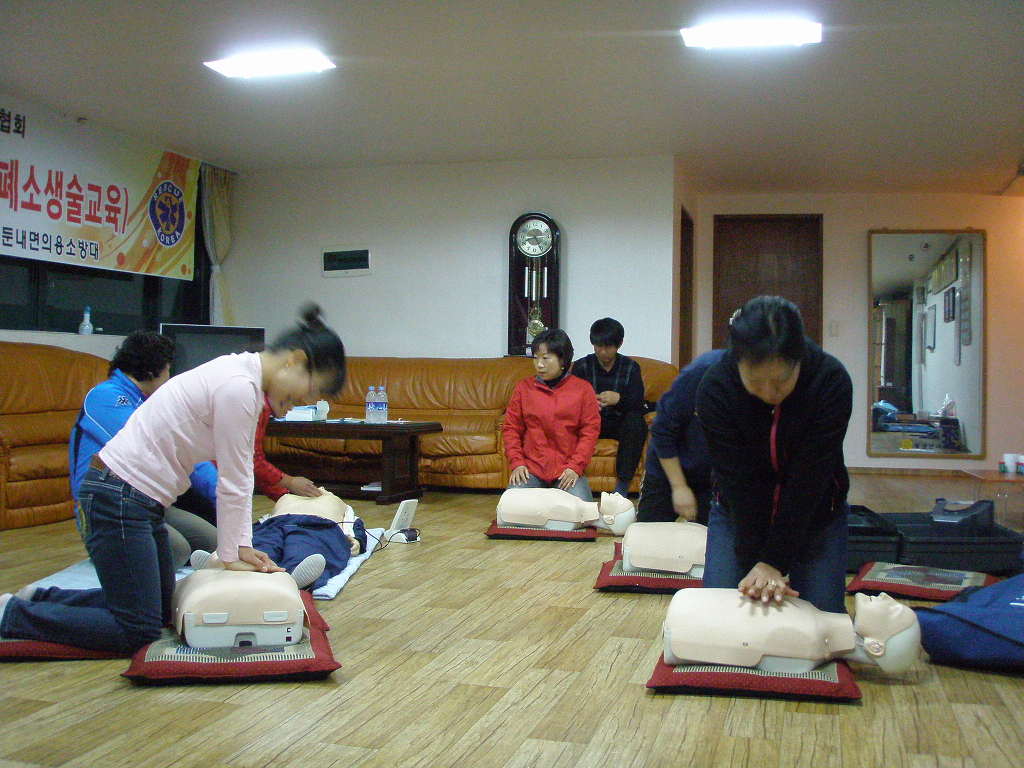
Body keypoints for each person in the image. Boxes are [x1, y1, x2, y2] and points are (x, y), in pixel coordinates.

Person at [0, 303, 347, 653]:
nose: (302, 400)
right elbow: (236, 478)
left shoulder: (241, 373)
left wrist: (239, 548)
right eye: (309, 389)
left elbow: (235, 472)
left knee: (159, 608)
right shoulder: (240, 387)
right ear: (295, 360)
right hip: (119, 496)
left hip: (135, 499)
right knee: (137, 632)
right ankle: (10, 615)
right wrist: (233, 553)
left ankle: (41, 597)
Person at [696, 296, 853, 613]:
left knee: (823, 621)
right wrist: (757, 563)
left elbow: (809, 479)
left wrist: (774, 561)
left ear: (799, 360)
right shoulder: (716, 388)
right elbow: (738, 482)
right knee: (720, 615)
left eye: (781, 382)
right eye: (756, 382)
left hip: (816, 513)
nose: (769, 393)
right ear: (738, 362)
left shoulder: (830, 380)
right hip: (737, 514)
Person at [67, 331, 218, 566]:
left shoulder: (151, 401)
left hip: (149, 502)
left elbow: (191, 453)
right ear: (152, 370)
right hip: (107, 508)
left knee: (215, 542)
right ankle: (110, 553)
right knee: (176, 552)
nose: (170, 377)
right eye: (168, 369)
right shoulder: (105, 397)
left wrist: (223, 492)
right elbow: (163, 449)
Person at [663, 589, 921, 675]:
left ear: (876, 646)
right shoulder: (812, 623)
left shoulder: (810, 638)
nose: (885, 596)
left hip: (684, 619)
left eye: (893, 611)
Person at [191, 489, 368, 592]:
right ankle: (219, 564)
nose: (317, 488)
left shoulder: (337, 501)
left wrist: (357, 540)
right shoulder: (286, 498)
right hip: (274, 523)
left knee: (305, 550)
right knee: (260, 549)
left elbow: (354, 522)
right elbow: (263, 519)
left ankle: (294, 577)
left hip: (316, 525)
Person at [503, 328, 600, 502]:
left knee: (583, 511)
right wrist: (517, 463)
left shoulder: (583, 390)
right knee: (510, 508)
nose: (539, 364)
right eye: (536, 358)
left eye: (546, 358)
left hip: (567, 471)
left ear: (563, 360)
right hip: (531, 470)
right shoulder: (523, 388)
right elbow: (511, 429)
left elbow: (590, 432)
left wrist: (575, 467)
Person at [637, 349, 725, 526]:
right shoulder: (701, 373)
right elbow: (662, 431)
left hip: (714, 477)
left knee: (711, 537)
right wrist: (679, 486)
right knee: (648, 535)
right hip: (666, 470)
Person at [571, 318, 647, 496]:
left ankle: (622, 487)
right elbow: (569, 400)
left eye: (608, 347)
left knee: (636, 422)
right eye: (598, 346)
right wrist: (588, 403)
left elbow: (638, 403)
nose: (603, 351)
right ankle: (569, 478)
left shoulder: (631, 367)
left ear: (619, 344)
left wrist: (618, 399)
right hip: (590, 422)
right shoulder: (582, 366)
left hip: (619, 423)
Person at [496, 487, 636, 534]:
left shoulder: (572, 513)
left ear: (610, 519)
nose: (617, 495)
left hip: (507, 505)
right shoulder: (575, 507)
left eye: (619, 501)